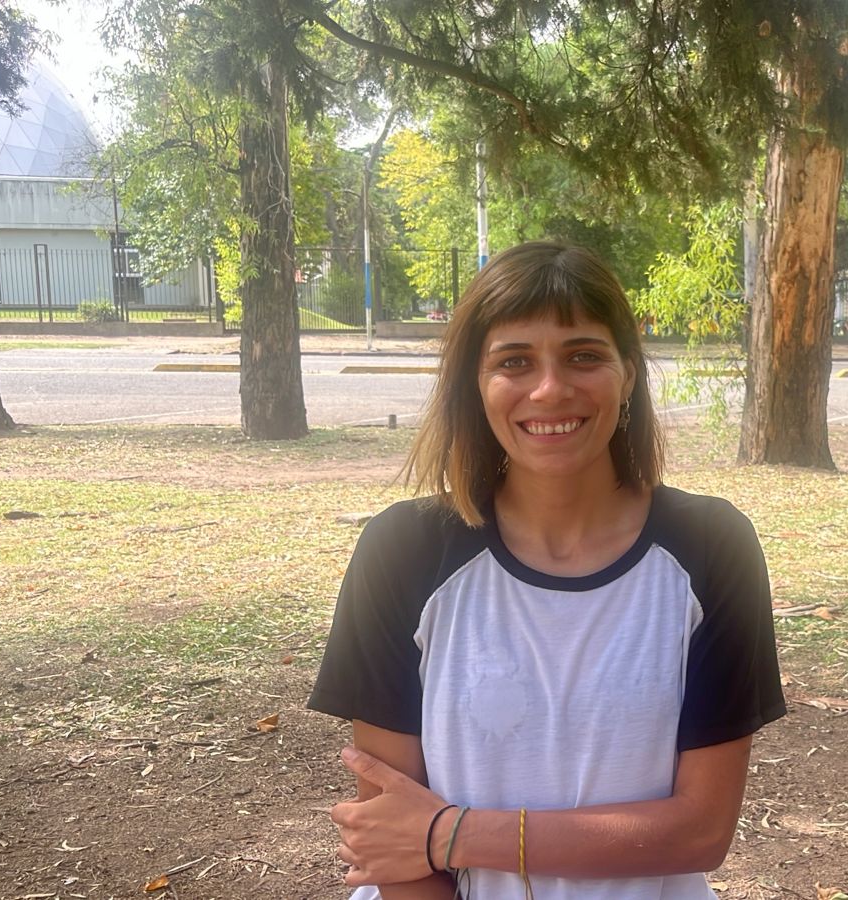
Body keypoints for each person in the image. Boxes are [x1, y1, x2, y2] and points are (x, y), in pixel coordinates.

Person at [308, 241, 786, 900]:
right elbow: (393, 840)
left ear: (628, 374)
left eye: (583, 355)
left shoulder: (711, 548)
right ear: (474, 385)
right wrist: (431, 839)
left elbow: (700, 831)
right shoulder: (404, 551)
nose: (550, 389)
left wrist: (450, 833)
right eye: (514, 361)